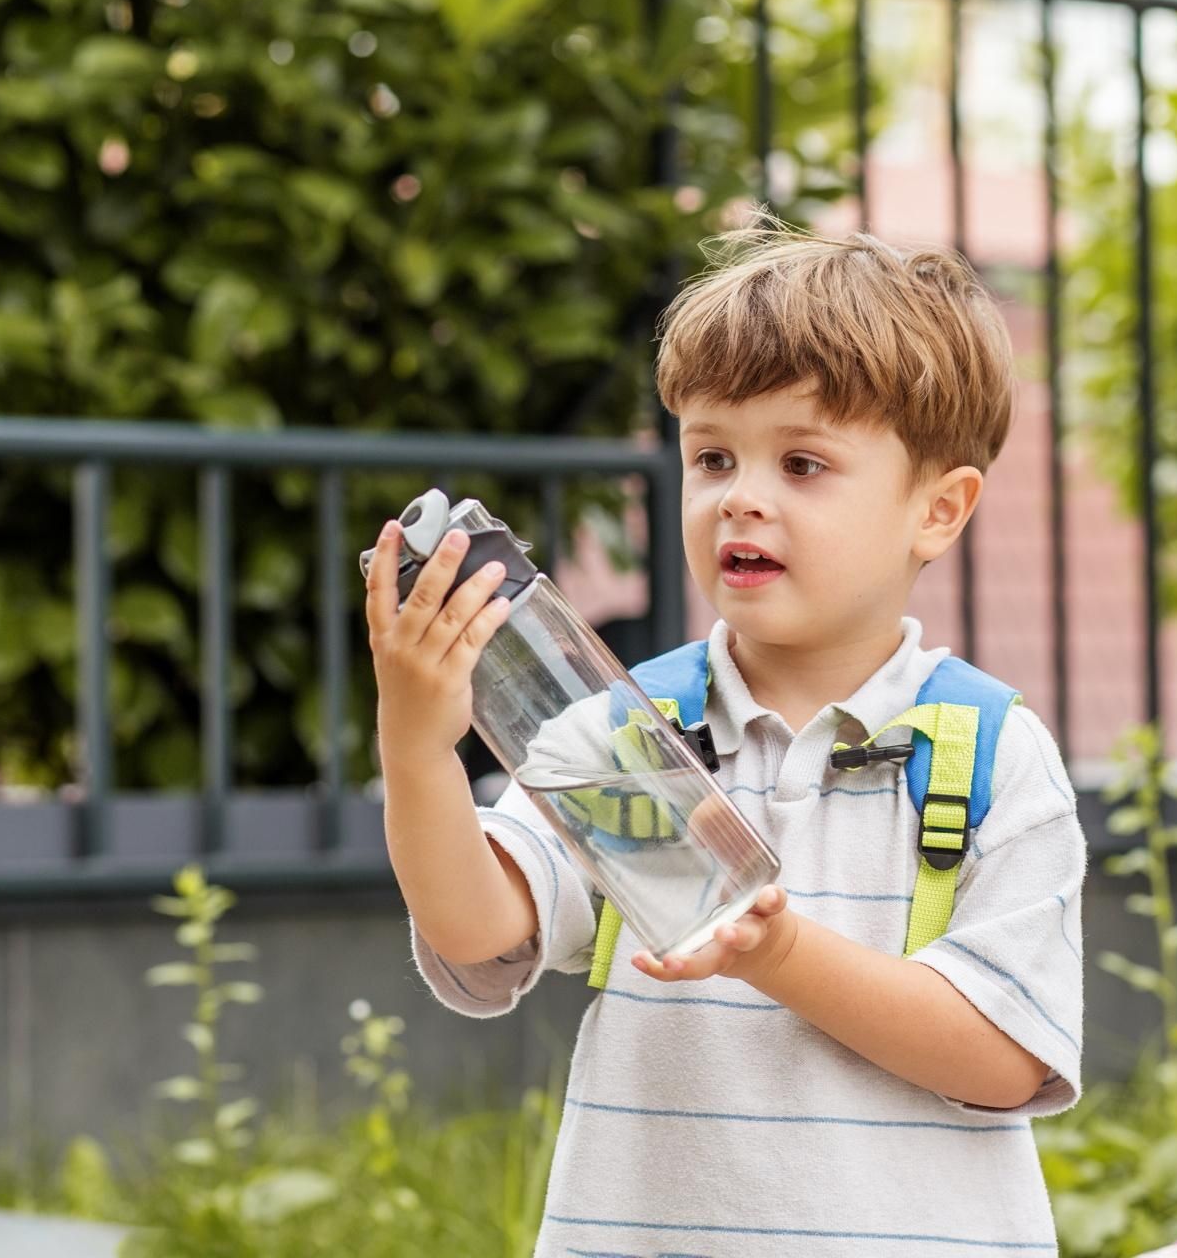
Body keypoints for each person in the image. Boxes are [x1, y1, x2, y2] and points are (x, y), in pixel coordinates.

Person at [364, 223, 1087, 1256]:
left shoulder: (992, 755)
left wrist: (779, 952)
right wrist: (417, 751)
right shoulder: (626, 728)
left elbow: (1006, 1059)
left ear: (939, 510)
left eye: (802, 462)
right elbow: (478, 930)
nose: (740, 496)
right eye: (712, 456)